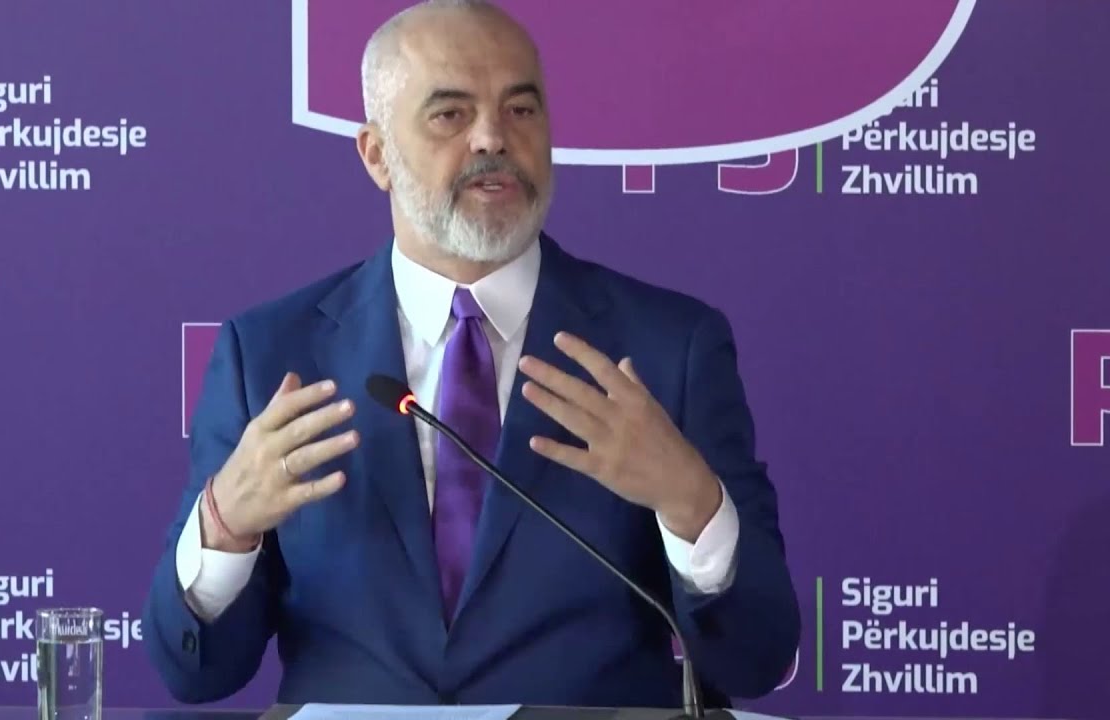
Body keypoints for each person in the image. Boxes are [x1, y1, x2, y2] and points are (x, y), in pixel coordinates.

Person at [142, 0, 798, 710]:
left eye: (521, 110)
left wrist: (691, 503)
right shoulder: (272, 354)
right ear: (376, 154)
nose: (492, 138)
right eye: (450, 114)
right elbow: (196, 672)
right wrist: (225, 527)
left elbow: (757, 660)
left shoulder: (668, 349)